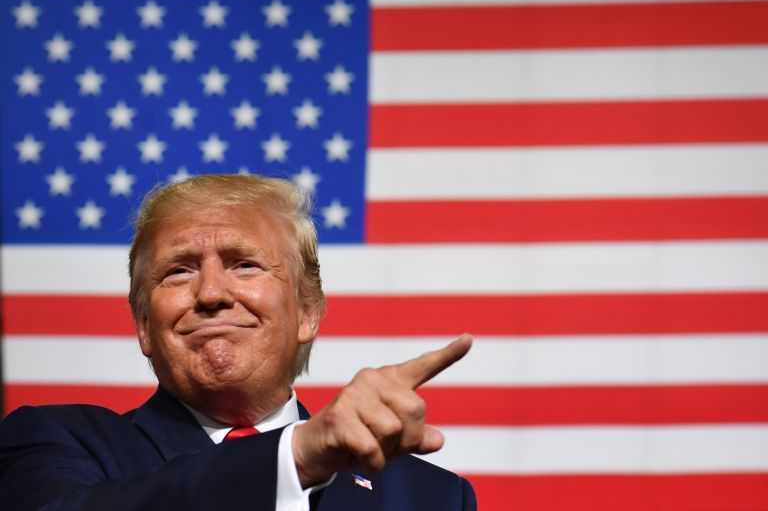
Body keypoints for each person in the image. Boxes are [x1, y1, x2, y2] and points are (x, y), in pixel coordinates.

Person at [0, 174, 476, 510]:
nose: (210, 294)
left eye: (244, 264)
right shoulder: (57, 443)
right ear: (144, 324)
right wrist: (295, 457)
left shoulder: (431, 497)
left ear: (308, 312)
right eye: (179, 270)